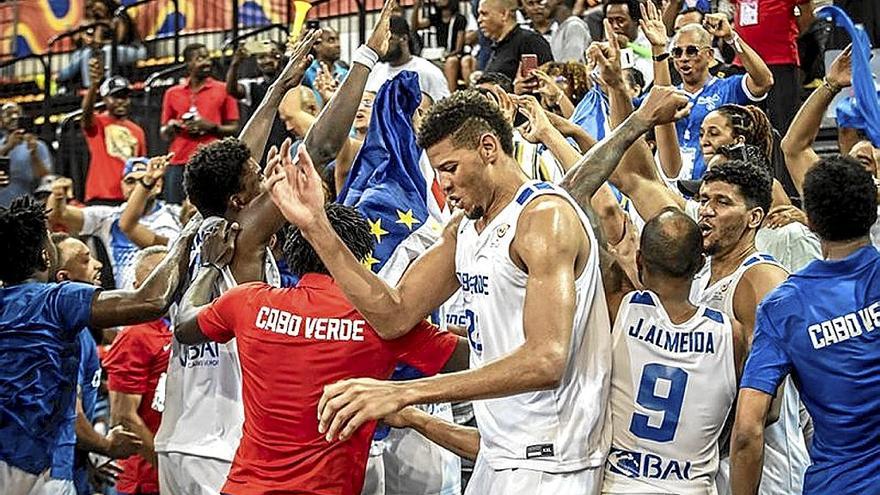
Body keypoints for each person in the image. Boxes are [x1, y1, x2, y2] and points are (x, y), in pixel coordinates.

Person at [268, 88, 618, 493]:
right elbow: (394, 314)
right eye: (436, 170)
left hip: (553, 462)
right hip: (500, 451)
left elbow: (546, 360)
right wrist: (316, 227)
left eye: (450, 167)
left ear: (489, 147)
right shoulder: (464, 229)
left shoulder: (543, 218)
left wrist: (404, 393)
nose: (443, 183)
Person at [173, 208, 466, 495]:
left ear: (291, 255)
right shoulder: (383, 322)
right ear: (361, 259)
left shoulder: (248, 302)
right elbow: (473, 359)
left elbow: (184, 326)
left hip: (243, 486)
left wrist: (209, 267)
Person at [0, 195, 199, 494]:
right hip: (44, 467)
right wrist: (187, 236)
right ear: (45, 258)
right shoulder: (57, 299)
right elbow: (151, 300)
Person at [730, 155, 880, 494]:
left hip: (840, 485)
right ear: (873, 212)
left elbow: (747, 429)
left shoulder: (783, 307)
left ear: (809, 220)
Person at [41, 233, 143, 495]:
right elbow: (69, 413)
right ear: (64, 278)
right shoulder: (63, 333)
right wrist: (107, 446)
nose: (98, 265)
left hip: (69, 465)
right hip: (49, 471)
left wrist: (86, 461)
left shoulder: (81, 331)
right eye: (85, 261)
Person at [102, 246, 174, 495]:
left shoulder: (184, 330)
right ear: (136, 287)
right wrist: (166, 468)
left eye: (170, 273)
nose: (166, 283)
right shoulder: (135, 335)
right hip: (145, 478)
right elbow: (124, 417)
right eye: (154, 276)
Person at [46, 159, 182, 289]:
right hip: (126, 306)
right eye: (130, 181)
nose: (136, 186)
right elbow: (59, 216)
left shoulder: (177, 215)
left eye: (142, 180)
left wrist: (147, 183)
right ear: (122, 186)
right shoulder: (109, 217)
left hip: (170, 302)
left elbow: (128, 225)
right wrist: (57, 196)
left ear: (157, 185)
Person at [667, 19, 773, 180]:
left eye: (691, 51)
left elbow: (764, 81)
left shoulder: (728, 88)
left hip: (716, 184)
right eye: (677, 52)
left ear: (709, 55)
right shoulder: (668, 95)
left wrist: (732, 38)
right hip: (673, 185)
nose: (683, 58)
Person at [160, 43, 240, 204]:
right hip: (179, 161)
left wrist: (210, 127)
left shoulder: (224, 89)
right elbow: (163, 133)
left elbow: (234, 127)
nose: (207, 62)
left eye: (208, 57)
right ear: (188, 64)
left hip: (212, 161)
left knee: (213, 210)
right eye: (200, 58)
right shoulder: (172, 93)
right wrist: (172, 126)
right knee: (175, 212)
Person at [732, 0, 814, 134]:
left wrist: (792, 36)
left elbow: (807, 15)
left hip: (780, 61)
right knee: (744, 124)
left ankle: (784, 155)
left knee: (783, 123)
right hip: (744, 63)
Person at [81, 55, 147, 205]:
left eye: (124, 97)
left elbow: (141, 165)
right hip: (100, 196)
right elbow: (86, 114)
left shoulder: (137, 131)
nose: (121, 101)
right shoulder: (98, 122)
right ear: (104, 99)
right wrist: (93, 86)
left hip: (129, 198)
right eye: (115, 97)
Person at [56, 0, 146, 89]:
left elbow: (118, 40)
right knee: (88, 52)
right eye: (93, 8)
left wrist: (101, 42)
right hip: (113, 50)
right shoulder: (99, 21)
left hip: (134, 50)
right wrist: (91, 41)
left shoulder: (120, 16)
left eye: (96, 5)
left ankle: (108, 84)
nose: (95, 9)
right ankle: (90, 86)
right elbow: (97, 41)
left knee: (107, 50)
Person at [225, 39, 289, 164]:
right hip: (262, 152)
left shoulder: (291, 82)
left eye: (272, 56)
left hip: (287, 147)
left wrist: (283, 59)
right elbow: (231, 90)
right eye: (261, 57)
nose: (267, 61)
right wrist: (235, 63)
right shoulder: (254, 86)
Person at [366, 16, 451, 104]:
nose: (382, 46)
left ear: (404, 39)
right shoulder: (375, 71)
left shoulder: (428, 72)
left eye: (388, 39)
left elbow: (444, 110)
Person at [477, 0, 553, 82]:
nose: (479, 20)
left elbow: (547, 84)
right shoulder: (498, 45)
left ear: (504, 14)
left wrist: (515, 91)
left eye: (484, 14)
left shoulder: (529, 41)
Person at [0, 102, 52, 207]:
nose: (13, 117)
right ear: (1, 121)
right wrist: (7, 147)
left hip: (26, 206)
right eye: (8, 114)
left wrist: (34, 155)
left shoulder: (38, 145)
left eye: (17, 113)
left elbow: (45, 177)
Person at [411, 0, 468, 92]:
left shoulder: (459, 19)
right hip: (439, 54)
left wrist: (445, 56)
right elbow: (415, 27)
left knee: (451, 62)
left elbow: (458, 49)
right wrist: (417, 6)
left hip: (453, 55)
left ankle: (450, 96)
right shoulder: (436, 17)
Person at [604, 0, 654, 86]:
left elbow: (635, 85)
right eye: (610, 21)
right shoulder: (604, 47)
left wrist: (624, 49)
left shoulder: (651, 43)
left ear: (636, 21)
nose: (615, 26)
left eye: (620, 20)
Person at [302, 27, 350, 106]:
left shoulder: (345, 74)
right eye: (331, 40)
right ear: (316, 45)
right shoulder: (306, 72)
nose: (338, 45)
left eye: (338, 40)